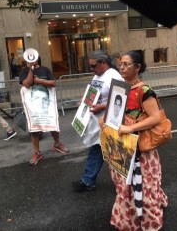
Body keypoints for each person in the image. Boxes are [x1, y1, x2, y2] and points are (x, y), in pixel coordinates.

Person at [107, 50, 168, 230]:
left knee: (143, 185)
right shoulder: (120, 87)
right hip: (122, 147)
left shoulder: (144, 91)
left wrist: (130, 127)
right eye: (120, 64)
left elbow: (156, 117)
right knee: (124, 186)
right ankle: (129, 218)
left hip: (140, 151)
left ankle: (148, 220)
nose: (122, 67)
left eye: (126, 64)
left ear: (137, 67)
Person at [72, 49, 123, 192]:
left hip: (111, 122)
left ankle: (123, 185)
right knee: (97, 149)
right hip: (97, 122)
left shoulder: (114, 76)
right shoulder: (98, 75)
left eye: (94, 66)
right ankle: (88, 180)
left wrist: (102, 106)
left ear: (104, 62)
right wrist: (85, 100)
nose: (91, 69)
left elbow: (122, 100)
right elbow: (93, 92)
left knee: (114, 154)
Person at [19, 51, 69, 165]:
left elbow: (53, 83)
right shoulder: (24, 71)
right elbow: (26, 84)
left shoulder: (45, 70)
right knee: (35, 129)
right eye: (29, 59)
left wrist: (40, 81)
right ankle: (37, 153)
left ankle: (57, 143)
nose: (31, 61)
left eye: (33, 59)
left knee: (52, 123)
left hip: (46, 102)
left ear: (37, 58)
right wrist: (31, 70)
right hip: (33, 105)